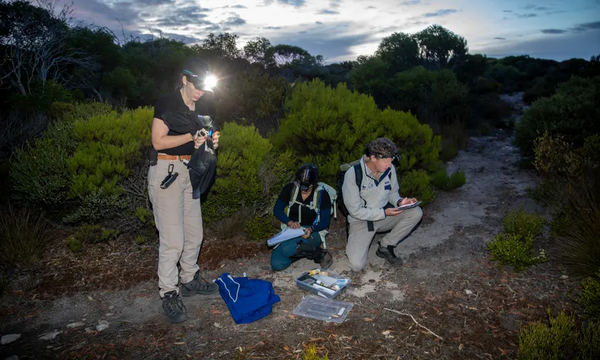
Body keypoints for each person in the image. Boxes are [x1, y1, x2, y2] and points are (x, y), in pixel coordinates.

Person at [148, 57, 220, 324]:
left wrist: (209, 142)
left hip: (192, 173)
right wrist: (191, 136)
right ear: (184, 80)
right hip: (167, 173)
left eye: (204, 87)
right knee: (173, 240)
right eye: (196, 86)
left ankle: (189, 279)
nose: (200, 92)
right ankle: (168, 292)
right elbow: (157, 141)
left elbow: (200, 140)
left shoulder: (200, 107)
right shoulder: (168, 103)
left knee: (194, 234)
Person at [342, 137, 422, 272]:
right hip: (362, 221)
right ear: (373, 158)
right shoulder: (353, 174)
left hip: (384, 216)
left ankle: (386, 245)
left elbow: (392, 193)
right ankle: (361, 242)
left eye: (391, 161)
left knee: (416, 212)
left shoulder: (390, 170)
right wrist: (384, 212)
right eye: (386, 161)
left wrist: (400, 201)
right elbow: (355, 211)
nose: (389, 165)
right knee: (356, 266)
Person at [271, 163, 333, 271]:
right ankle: (298, 252)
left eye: (306, 186)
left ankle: (320, 254)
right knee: (277, 264)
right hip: (292, 229)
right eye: (301, 184)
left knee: (287, 248)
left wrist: (311, 229)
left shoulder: (322, 194)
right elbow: (277, 210)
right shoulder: (290, 189)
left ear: (313, 183)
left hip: (312, 231)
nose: (303, 189)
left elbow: (325, 222)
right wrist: (289, 222)